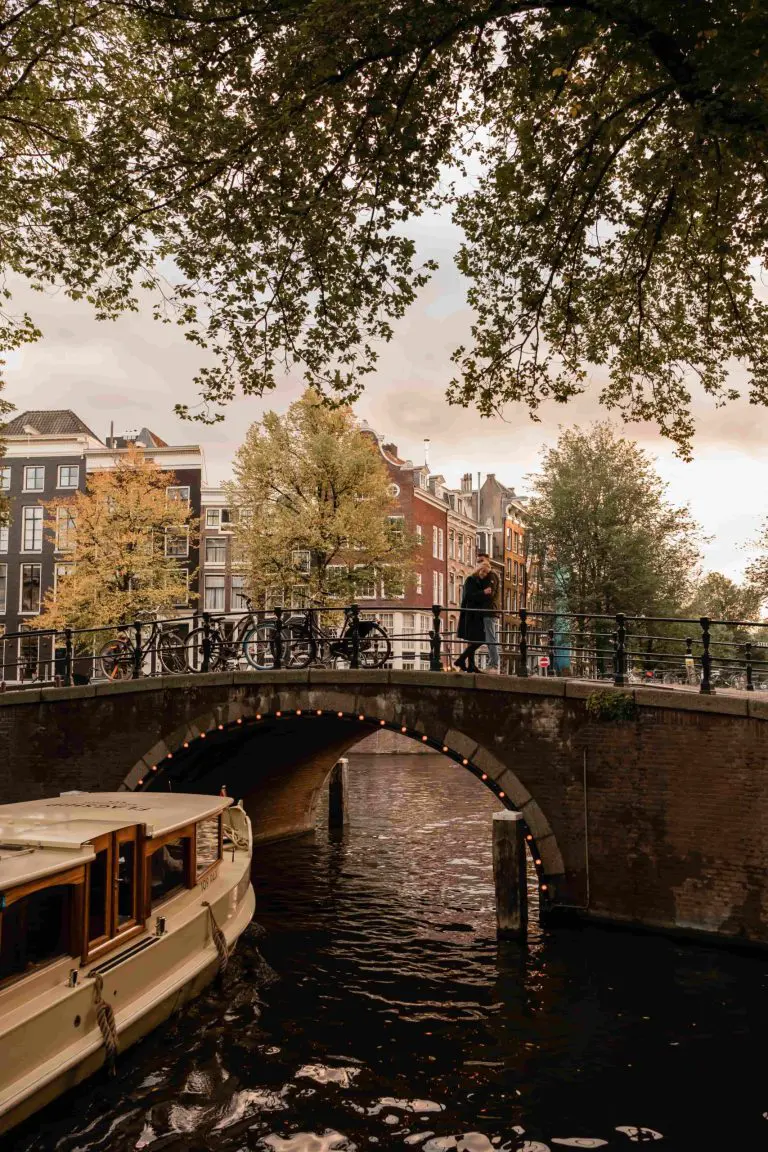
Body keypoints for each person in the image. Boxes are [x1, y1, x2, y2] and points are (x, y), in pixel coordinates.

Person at [454, 564, 489, 672]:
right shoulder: (470, 580)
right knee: (481, 639)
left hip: (476, 615)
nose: (484, 574)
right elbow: (468, 595)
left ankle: (471, 665)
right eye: (483, 571)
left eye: (486, 573)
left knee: (473, 640)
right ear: (478, 570)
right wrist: (483, 592)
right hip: (471, 615)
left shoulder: (479, 581)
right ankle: (461, 659)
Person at [477, 551, 501, 675]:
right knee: (489, 637)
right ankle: (492, 664)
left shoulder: (491, 576)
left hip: (490, 611)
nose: (479, 563)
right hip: (487, 611)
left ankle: (494, 665)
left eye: (481, 561)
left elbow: (490, 593)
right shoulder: (487, 575)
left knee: (491, 637)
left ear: (487, 561)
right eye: (478, 562)